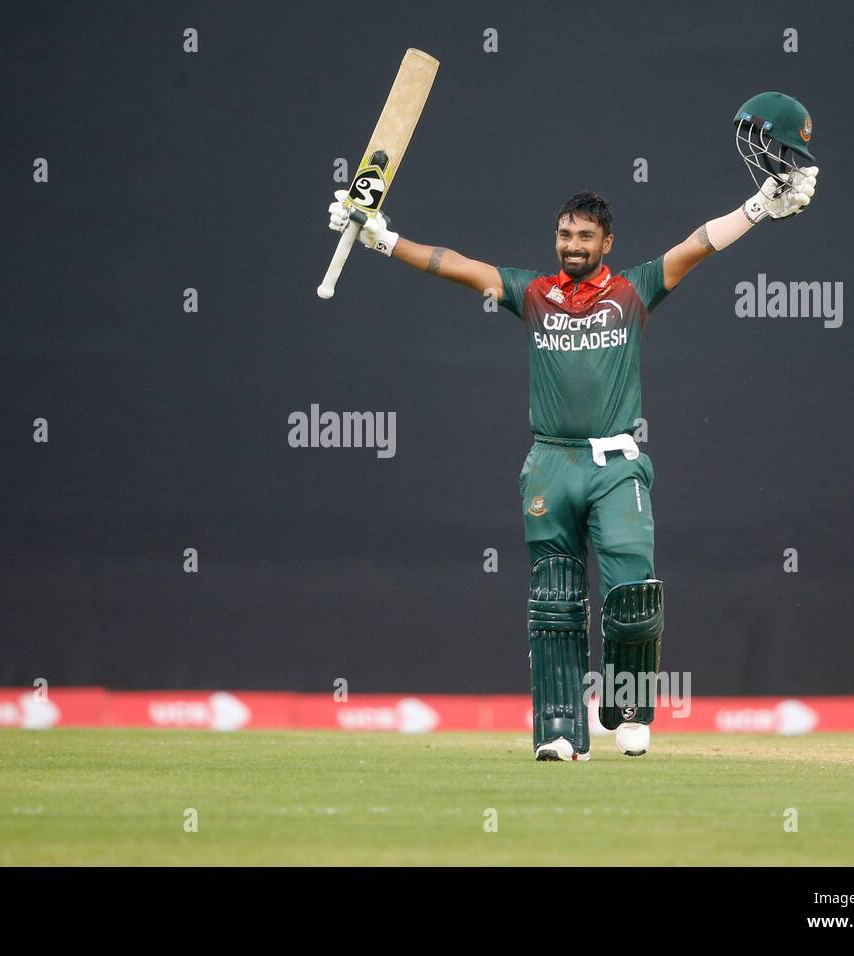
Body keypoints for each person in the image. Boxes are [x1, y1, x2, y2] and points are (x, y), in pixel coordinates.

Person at [325, 92, 819, 760]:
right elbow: (455, 264)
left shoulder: (635, 289)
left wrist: (760, 205)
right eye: (565, 234)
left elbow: (697, 245)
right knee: (554, 605)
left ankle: (630, 709)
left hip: (616, 465)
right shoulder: (532, 294)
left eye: (585, 236)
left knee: (632, 591)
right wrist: (382, 236)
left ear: (606, 243)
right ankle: (561, 732)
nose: (573, 244)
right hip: (549, 464)